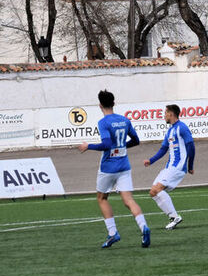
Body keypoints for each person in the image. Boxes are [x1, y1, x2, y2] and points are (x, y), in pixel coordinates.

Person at [78, 90, 151, 248]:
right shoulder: (124, 120)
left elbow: (106, 144)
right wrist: (122, 146)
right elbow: (136, 140)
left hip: (108, 167)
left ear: (100, 105)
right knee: (129, 200)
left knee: (102, 198)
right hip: (124, 166)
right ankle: (143, 226)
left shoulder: (103, 122)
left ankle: (113, 233)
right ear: (114, 103)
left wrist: (87, 146)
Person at [142, 104, 194, 230]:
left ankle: (176, 217)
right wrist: (151, 160)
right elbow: (163, 149)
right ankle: (173, 217)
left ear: (171, 114)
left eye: (165, 113)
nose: (164, 115)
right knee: (153, 192)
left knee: (158, 189)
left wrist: (190, 165)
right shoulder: (170, 130)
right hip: (169, 167)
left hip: (178, 166)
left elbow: (191, 146)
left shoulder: (182, 128)